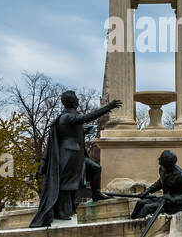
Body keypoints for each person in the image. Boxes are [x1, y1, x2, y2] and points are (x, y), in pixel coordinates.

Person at [29, 91, 122, 228]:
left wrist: (84, 131)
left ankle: (95, 194)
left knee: (95, 169)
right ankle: (62, 212)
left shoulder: (70, 117)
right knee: (67, 185)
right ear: (73, 102)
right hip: (68, 156)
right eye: (76, 98)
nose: (78, 100)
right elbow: (86, 118)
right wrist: (107, 107)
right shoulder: (66, 117)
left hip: (76, 155)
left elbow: (73, 130)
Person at [130, 150, 182, 220]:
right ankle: (132, 220)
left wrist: (173, 199)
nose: (159, 163)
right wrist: (147, 191)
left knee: (147, 207)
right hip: (165, 200)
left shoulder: (181, 176)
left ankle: (137, 225)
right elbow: (160, 183)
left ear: (168, 164)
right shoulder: (163, 169)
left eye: (161, 162)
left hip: (177, 204)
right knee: (140, 202)